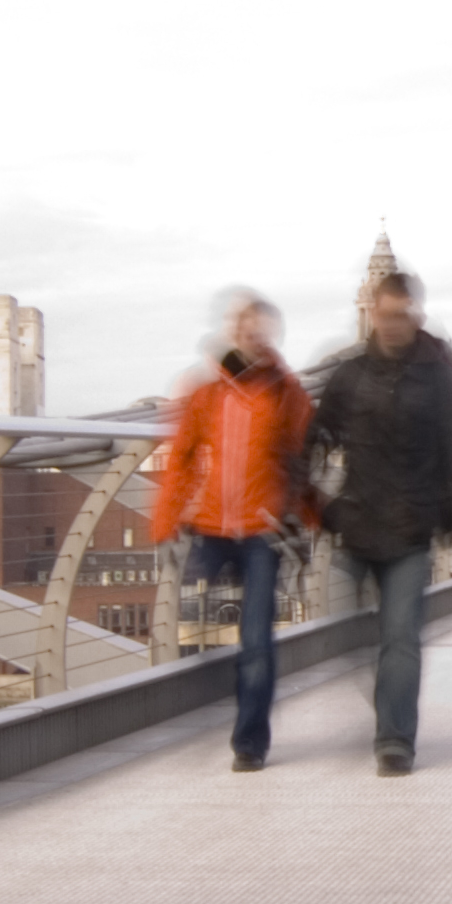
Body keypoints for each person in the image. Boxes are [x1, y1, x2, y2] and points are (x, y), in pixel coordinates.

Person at [309, 268, 452, 774]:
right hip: (355, 522)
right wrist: (314, 500)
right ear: (372, 316)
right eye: (383, 316)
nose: (390, 326)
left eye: (399, 316)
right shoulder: (349, 376)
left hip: (409, 525)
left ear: (413, 316)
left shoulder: (436, 379)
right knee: (345, 633)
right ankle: (389, 697)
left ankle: (394, 740)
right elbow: (315, 437)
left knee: (401, 635)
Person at [148, 292, 314, 771]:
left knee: (257, 642)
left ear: (268, 334)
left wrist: (311, 515)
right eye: (238, 322)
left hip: (263, 532)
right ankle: (198, 702)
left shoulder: (285, 392)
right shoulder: (206, 393)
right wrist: (165, 519)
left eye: (255, 323)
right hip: (211, 527)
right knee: (184, 627)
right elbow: (179, 459)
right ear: (228, 330)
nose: (246, 329)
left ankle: (249, 744)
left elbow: (302, 455)